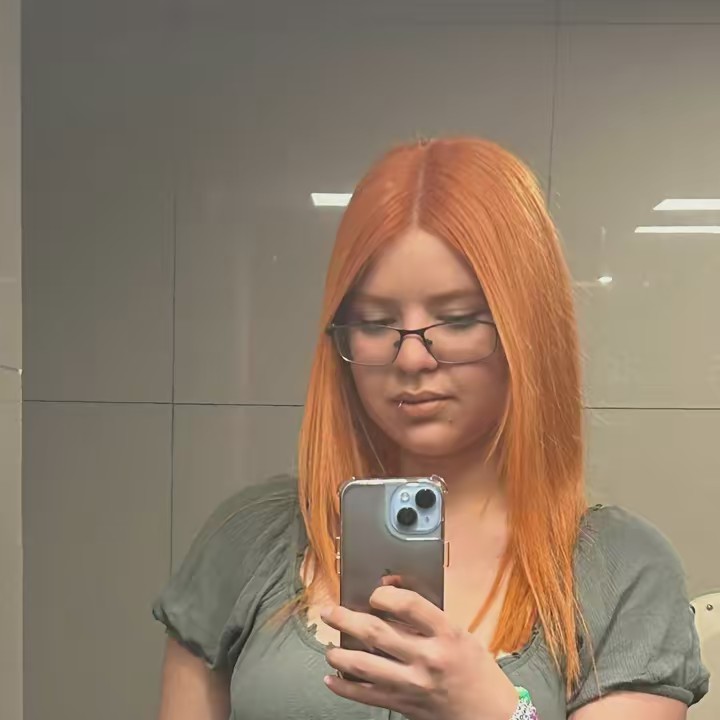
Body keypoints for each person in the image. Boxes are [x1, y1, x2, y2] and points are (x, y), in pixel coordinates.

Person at [152, 138, 709, 720]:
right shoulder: (250, 540)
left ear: (528, 328)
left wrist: (498, 712)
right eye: (374, 322)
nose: (412, 358)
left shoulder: (622, 573)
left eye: (459, 319)